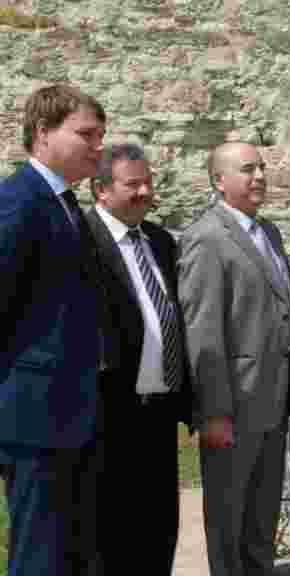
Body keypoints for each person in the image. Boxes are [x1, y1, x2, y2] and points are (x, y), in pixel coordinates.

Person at [178, 142, 290, 576]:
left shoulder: (268, 232)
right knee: (229, 516)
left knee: (262, 514)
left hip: (272, 396)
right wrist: (214, 412)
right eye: (248, 169)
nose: (260, 176)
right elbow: (203, 330)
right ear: (219, 180)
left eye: (262, 167)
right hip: (233, 402)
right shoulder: (207, 238)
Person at [0, 84, 106, 576]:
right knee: (38, 556)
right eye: (86, 134)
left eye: (100, 136)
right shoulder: (19, 201)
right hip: (35, 416)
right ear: (43, 132)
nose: (98, 146)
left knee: (69, 553)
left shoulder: (63, 202)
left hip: (71, 413)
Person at [83, 143, 192, 574]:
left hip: (159, 414)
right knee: (110, 536)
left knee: (158, 530)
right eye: (133, 184)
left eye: (148, 182)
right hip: (107, 414)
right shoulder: (82, 241)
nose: (145, 192)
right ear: (101, 189)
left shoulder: (160, 241)